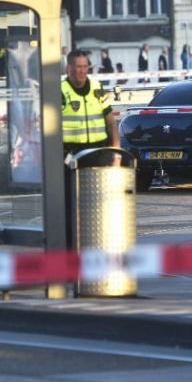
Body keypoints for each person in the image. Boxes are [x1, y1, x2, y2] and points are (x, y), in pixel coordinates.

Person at [62, 50, 121, 245]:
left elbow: (111, 122)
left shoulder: (97, 88)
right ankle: (72, 248)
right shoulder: (60, 91)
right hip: (71, 156)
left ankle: (99, 245)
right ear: (69, 68)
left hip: (98, 154)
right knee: (71, 207)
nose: (82, 71)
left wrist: (116, 151)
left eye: (85, 67)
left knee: (100, 205)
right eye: (78, 67)